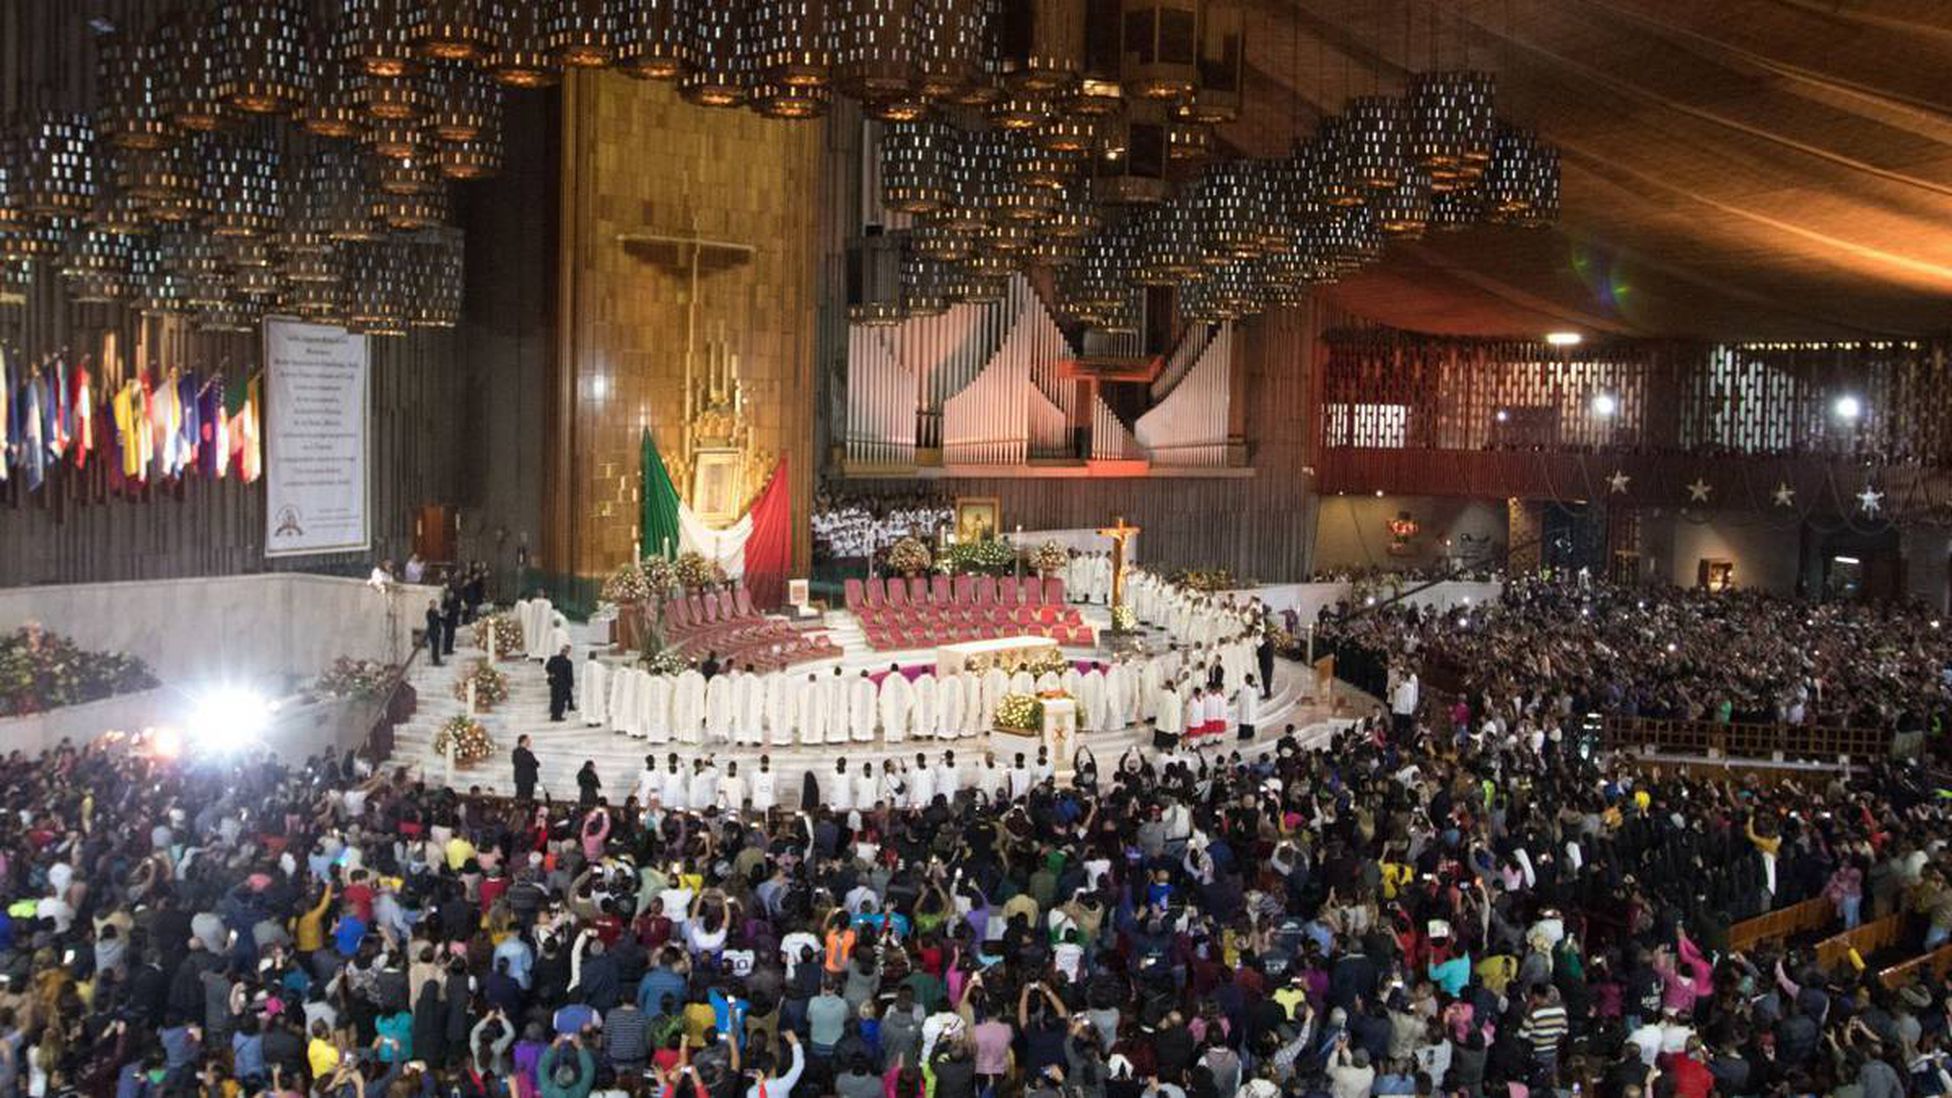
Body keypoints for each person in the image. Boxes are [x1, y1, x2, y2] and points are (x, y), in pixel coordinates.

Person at [546, 645, 575, 723]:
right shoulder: (568, 663)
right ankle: (558, 716)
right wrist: (571, 684)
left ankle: (553, 715)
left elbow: (547, 667)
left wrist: (551, 674)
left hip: (554, 683)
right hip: (563, 684)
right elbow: (569, 675)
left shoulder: (553, 659)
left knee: (554, 699)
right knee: (561, 701)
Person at [512, 734, 540, 801]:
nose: (529, 742)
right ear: (523, 741)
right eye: (528, 740)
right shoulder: (527, 753)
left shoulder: (515, 752)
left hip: (519, 778)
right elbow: (534, 763)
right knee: (527, 797)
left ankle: (519, 806)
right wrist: (536, 763)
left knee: (520, 796)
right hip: (528, 779)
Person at [424, 600, 445, 667]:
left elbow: (439, 619)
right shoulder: (429, 612)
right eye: (432, 604)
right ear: (430, 605)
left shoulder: (436, 612)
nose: (433, 605)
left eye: (434, 604)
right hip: (432, 631)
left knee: (437, 646)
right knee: (434, 646)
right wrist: (437, 618)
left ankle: (437, 659)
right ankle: (435, 660)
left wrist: (443, 618)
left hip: (437, 630)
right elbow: (431, 621)